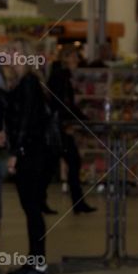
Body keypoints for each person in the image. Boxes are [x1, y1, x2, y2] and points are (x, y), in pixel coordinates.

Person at [5, 41, 54, 274]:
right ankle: (34, 259)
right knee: (31, 209)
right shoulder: (30, 83)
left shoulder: (27, 83)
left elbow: (25, 121)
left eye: (16, 53)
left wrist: (15, 151)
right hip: (35, 153)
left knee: (32, 209)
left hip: (30, 154)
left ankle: (38, 262)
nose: (11, 58)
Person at [46, 45, 97, 214]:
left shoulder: (60, 76)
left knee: (60, 163)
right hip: (59, 128)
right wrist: (77, 120)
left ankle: (76, 201)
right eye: (74, 57)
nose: (77, 60)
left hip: (59, 126)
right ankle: (77, 202)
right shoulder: (60, 77)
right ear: (65, 58)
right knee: (71, 162)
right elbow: (62, 104)